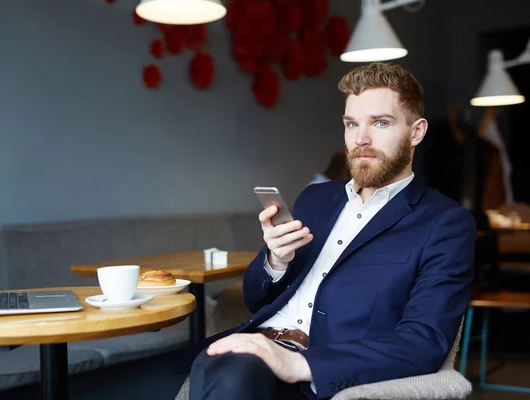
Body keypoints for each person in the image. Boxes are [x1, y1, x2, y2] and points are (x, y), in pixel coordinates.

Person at [182, 63, 476, 400]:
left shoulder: (445, 224)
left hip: (311, 370)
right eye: (352, 124)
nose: (361, 139)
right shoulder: (315, 198)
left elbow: (424, 342)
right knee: (121, 379)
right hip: (249, 343)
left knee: (229, 374)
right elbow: (254, 299)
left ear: (417, 132)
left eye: (380, 123)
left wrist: (299, 365)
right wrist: (275, 261)